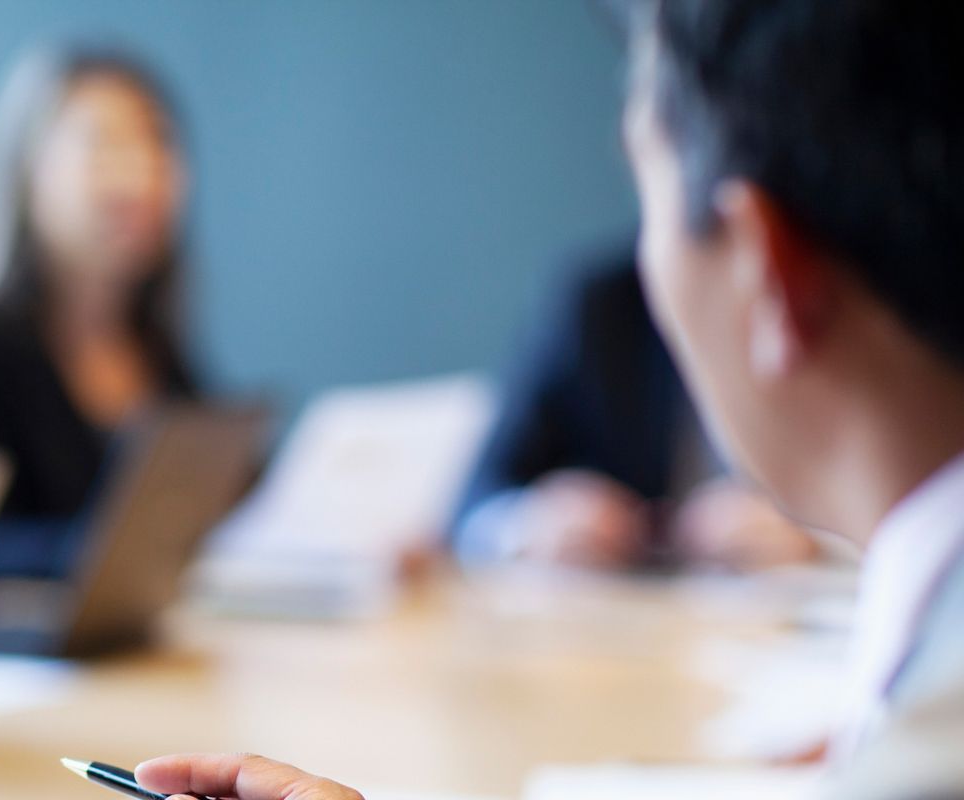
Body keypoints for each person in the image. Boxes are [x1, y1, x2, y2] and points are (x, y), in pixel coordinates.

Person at [140, 0, 964, 795]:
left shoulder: (932, 755)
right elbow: (486, 493)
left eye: (652, 194)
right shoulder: (919, 686)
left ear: (767, 272)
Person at [0, 43, 200, 579]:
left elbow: (232, 497)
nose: (141, 173)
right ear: (29, 170)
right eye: (104, 144)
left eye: (158, 142)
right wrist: (124, 548)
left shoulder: (154, 341)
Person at [453, 243, 820, 572]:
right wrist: (530, 523)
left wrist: (812, 529)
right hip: (611, 619)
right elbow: (475, 501)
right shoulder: (600, 303)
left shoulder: (824, 294)